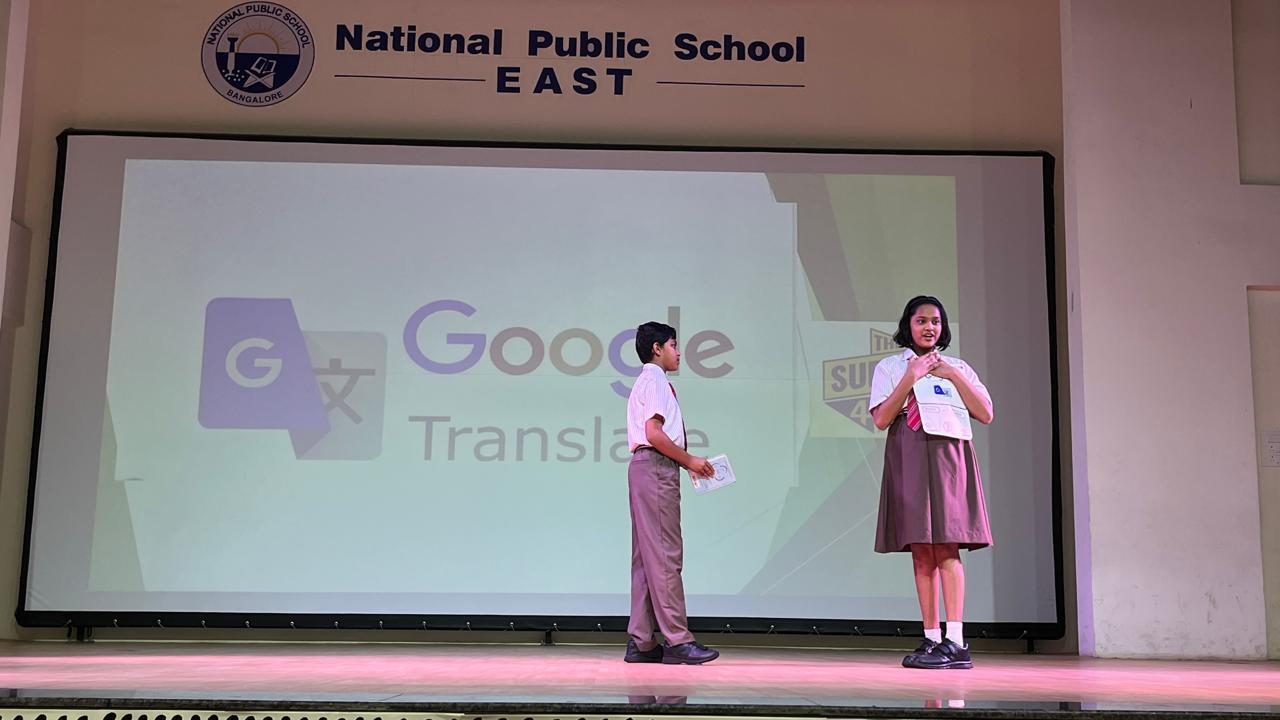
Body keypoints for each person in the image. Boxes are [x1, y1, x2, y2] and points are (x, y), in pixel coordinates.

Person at [868, 295, 994, 670]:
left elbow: (986, 413)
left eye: (935, 321)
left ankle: (955, 640)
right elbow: (881, 419)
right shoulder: (891, 367)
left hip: (949, 456)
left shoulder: (958, 367)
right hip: (908, 453)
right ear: (907, 325)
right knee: (922, 549)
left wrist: (952, 375)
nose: (929, 327)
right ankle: (932, 637)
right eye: (921, 321)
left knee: (947, 547)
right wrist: (911, 377)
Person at [622, 321, 719, 665]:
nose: (679, 352)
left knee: (646, 559)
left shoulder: (645, 381)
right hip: (655, 467)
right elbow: (655, 432)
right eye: (674, 345)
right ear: (657, 349)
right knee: (665, 555)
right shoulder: (656, 380)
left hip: (643, 468)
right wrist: (690, 460)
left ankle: (642, 642)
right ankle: (678, 640)